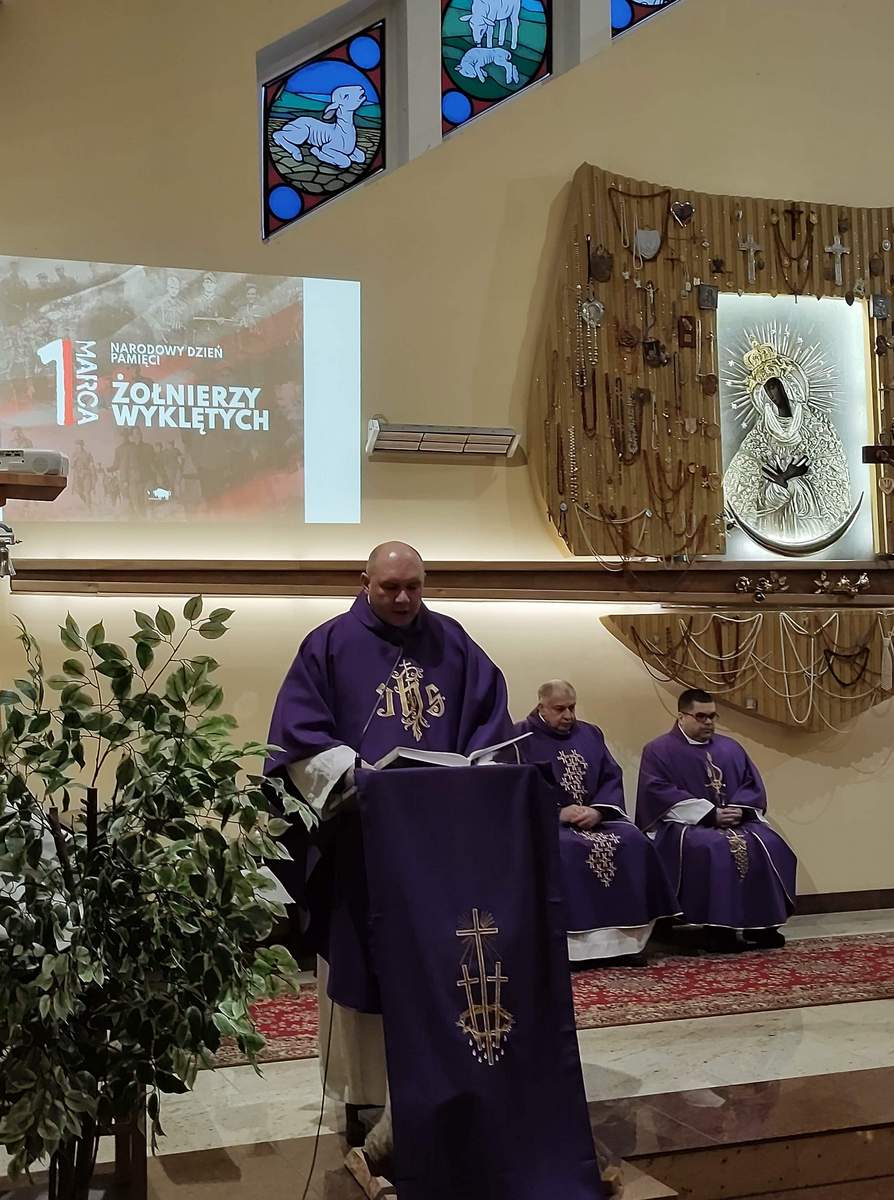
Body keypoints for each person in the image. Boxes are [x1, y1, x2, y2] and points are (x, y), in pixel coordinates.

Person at [265, 542, 513, 1187]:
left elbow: (491, 723)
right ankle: (368, 1099)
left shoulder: (454, 642)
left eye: (414, 586)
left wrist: (473, 768)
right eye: (390, 587)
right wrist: (359, 778)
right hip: (363, 841)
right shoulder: (327, 646)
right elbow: (298, 736)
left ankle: (446, 1082)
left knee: (444, 958)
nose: (404, 599)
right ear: (365, 581)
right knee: (365, 960)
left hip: (442, 841)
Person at [514, 681, 678, 966]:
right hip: (549, 822)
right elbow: (519, 786)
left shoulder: (590, 733)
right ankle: (573, 951)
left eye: (572, 708)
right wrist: (558, 813)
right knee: (564, 850)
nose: (568, 715)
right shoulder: (520, 738)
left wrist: (599, 811)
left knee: (634, 842)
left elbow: (610, 776)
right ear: (542, 707)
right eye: (560, 709)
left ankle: (626, 945)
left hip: (596, 818)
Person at [636, 688, 796, 953]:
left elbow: (751, 784)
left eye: (712, 716)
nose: (709, 722)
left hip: (734, 819)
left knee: (769, 843)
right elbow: (657, 792)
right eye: (701, 716)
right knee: (715, 848)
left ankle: (762, 926)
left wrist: (740, 809)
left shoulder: (730, 747)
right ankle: (719, 929)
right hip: (686, 823)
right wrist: (709, 814)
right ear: (681, 716)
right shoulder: (659, 750)